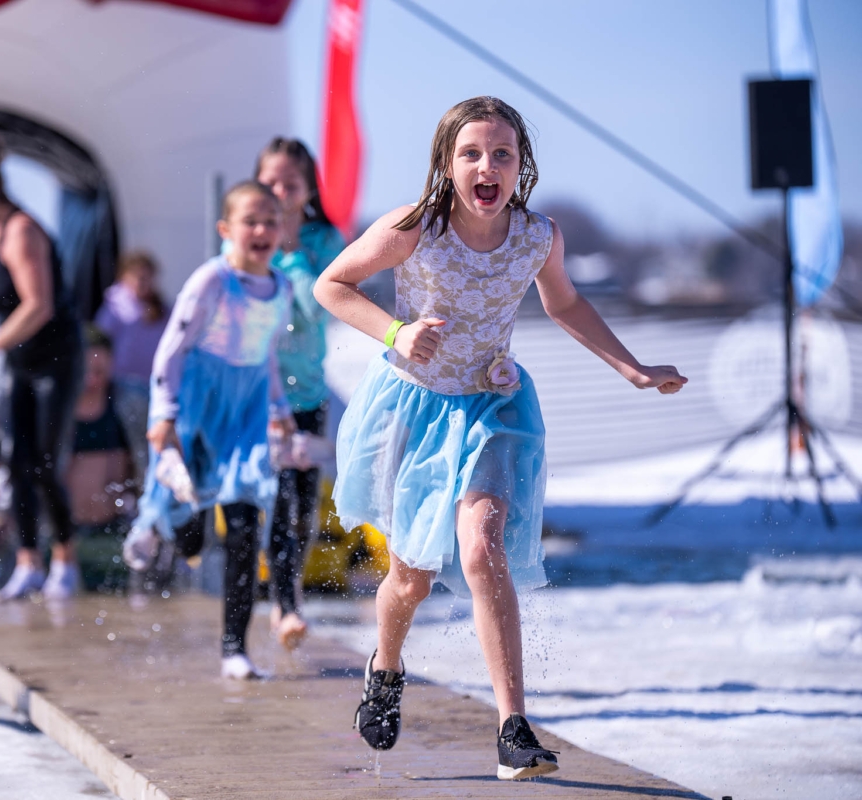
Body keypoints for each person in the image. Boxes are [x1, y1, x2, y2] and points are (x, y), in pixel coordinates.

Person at [313, 97, 687, 779]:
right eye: (472, 153)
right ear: (447, 163)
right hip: (418, 410)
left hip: (494, 406)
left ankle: (513, 727)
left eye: (503, 154)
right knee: (411, 577)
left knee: (484, 549)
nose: (488, 166)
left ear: (522, 166)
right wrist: (397, 333)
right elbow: (331, 285)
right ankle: (387, 667)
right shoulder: (412, 227)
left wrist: (632, 367)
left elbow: (565, 301)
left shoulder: (536, 236)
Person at [123, 181, 296, 680]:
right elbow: (170, 352)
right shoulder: (211, 281)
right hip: (198, 403)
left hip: (244, 411)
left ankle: (233, 648)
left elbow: (265, 355)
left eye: (270, 220)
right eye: (250, 220)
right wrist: (164, 415)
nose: (261, 230)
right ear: (226, 230)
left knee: (245, 524)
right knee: (193, 533)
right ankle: (164, 527)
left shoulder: (281, 287)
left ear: (281, 229)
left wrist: (279, 408)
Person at [0, 133, 84, 601]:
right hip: (20, 363)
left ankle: (65, 558)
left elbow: (38, 306)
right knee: (17, 462)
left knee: (44, 462)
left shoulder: (23, 230)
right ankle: (28, 561)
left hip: (55, 359)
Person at [251, 137, 345, 651]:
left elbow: (321, 311)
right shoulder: (244, 238)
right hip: (254, 394)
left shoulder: (324, 240)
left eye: (291, 184)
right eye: (270, 183)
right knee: (261, 496)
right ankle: (272, 602)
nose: (280, 193)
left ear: (308, 189)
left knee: (298, 503)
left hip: (305, 393)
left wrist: (292, 254)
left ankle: (287, 601)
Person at [66, 326, 136, 593]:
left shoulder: (128, 406)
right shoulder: (56, 411)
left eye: (100, 372)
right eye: (87, 371)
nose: (93, 379)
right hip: (65, 537)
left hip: (113, 532)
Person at [94, 251, 170, 478]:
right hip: (125, 386)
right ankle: (145, 482)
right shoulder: (114, 308)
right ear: (124, 278)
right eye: (138, 278)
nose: (143, 284)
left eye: (148, 278)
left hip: (156, 386)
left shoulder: (161, 308)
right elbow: (100, 347)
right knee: (139, 442)